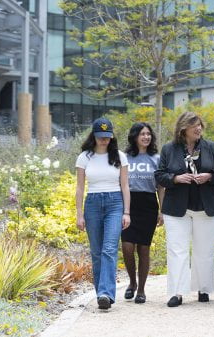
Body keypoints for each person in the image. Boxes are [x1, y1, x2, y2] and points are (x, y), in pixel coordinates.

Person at [154, 111, 214, 307]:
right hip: (177, 208)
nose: (199, 129)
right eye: (195, 126)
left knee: (204, 250)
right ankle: (177, 292)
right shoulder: (169, 149)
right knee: (177, 250)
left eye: (200, 125)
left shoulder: (211, 147)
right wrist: (175, 179)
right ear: (184, 128)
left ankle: (203, 289)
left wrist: (209, 176)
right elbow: (159, 175)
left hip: (206, 206)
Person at [75, 117, 131, 310]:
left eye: (107, 137)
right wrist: (79, 214)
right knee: (97, 252)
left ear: (112, 137)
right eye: (100, 137)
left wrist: (127, 212)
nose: (104, 140)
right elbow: (80, 188)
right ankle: (101, 293)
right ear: (94, 136)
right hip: (92, 203)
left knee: (109, 249)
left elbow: (125, 185)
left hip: (115, 203)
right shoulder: (84, 157)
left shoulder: (120, 156)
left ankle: (106, 293)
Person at [121, 122, 164, 304]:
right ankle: (131, 281)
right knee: (128, 247)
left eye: (148, 134)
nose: (146, 137)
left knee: (144, 248)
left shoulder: (157, 158)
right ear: (134, 136)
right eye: (142, 134)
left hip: (148, 204)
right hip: (129, 204)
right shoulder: (124, 158)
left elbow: (161, 186)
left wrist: (162, 210)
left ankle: (141, 289)